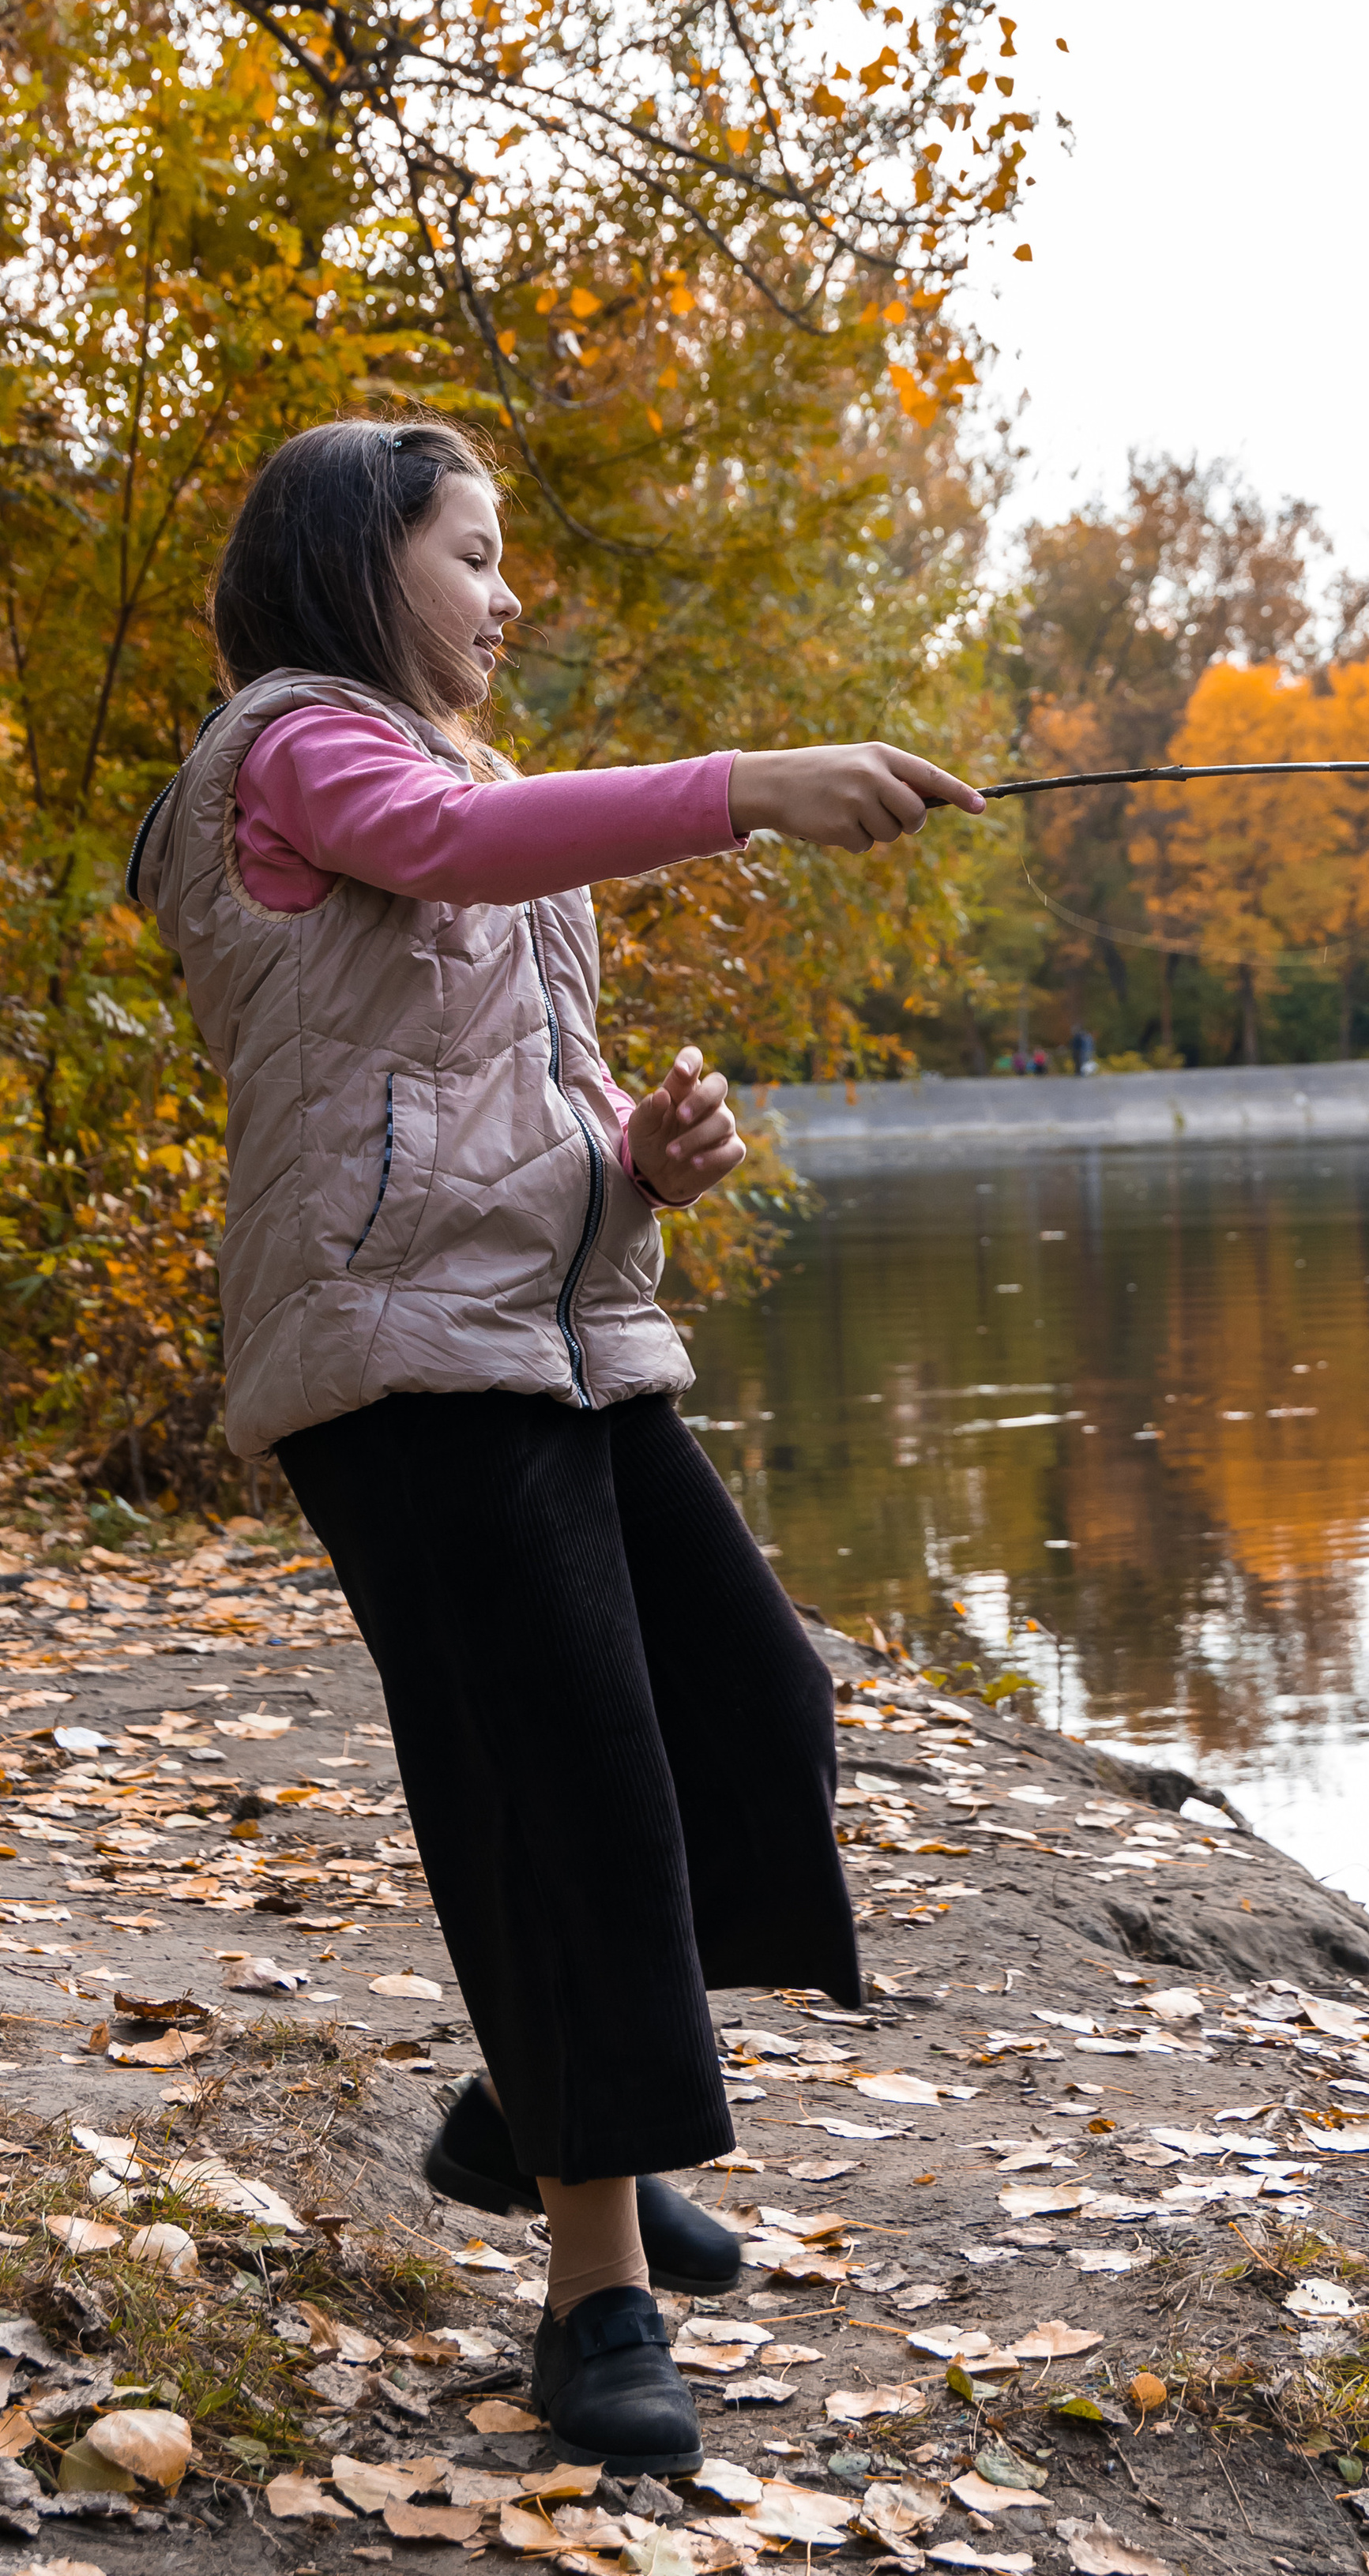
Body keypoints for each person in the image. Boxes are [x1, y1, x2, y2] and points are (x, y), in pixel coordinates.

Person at [128, 415, 984, 2472]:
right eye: (476, 556)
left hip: (565, 1331)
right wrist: (754, 790)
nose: (508, 599)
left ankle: (537, 2106)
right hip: (402, 1358)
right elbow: (440, 855)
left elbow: (538, 1082)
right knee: (574, 1780)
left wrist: (647, 1155)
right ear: (357, 564)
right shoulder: (296, 752)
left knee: (753, 1706)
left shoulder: (481, 796)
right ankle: (593, 2299)